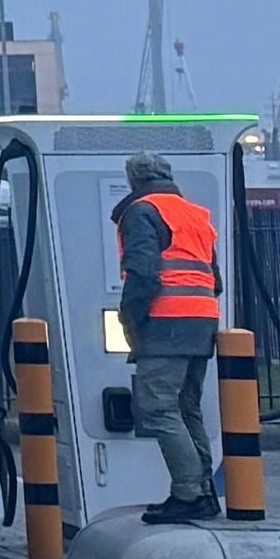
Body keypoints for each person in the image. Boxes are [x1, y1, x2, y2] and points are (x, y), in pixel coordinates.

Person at [116, 151, 225, 525]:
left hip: (166, 323)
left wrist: (130, 319)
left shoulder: (142, 211)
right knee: (186, 406)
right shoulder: (195, 214)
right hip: (202, 320)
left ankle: (187, 492)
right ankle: (203, 491)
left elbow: (143, 274)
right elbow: (216, 280)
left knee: (157, 408)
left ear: (133, 181)